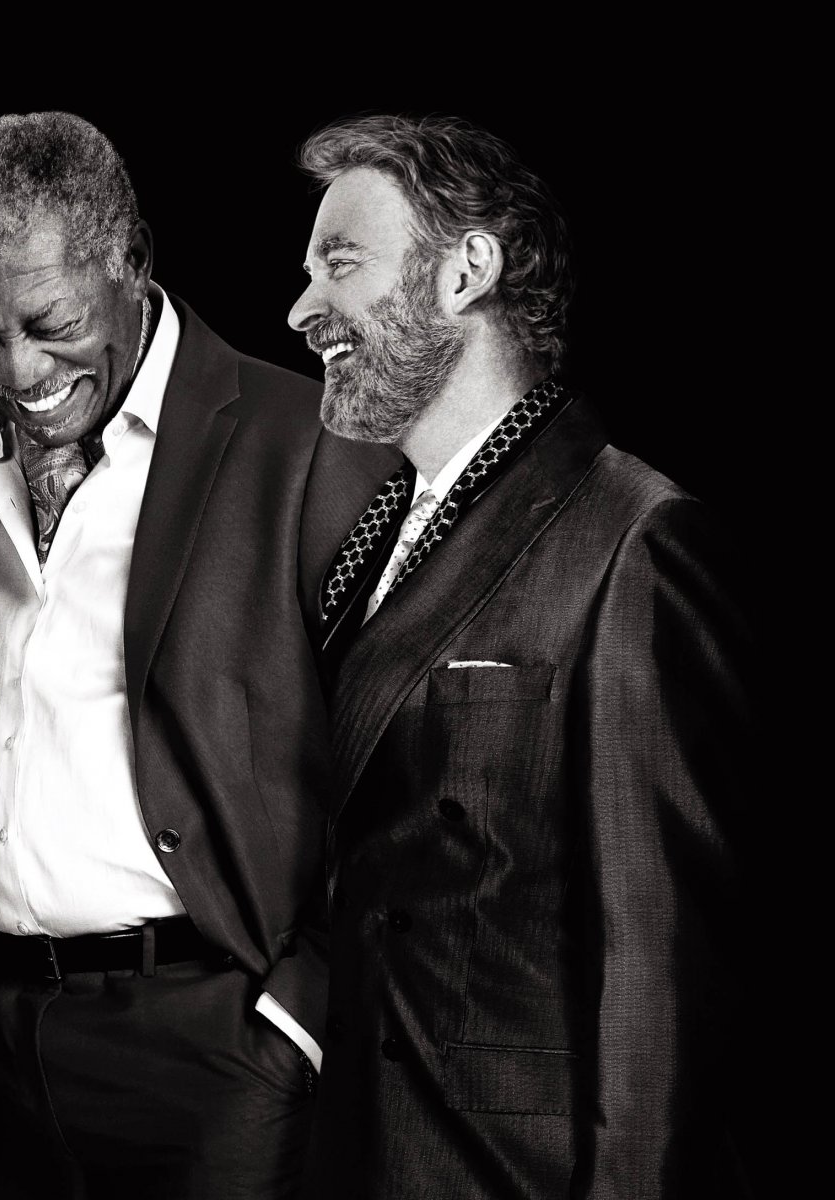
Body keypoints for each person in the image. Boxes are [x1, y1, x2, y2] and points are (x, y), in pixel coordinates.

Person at [0, 112, 395, 1197]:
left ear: (133, 261)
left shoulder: (312, 442)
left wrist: (301, 1013)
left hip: (218, 1047)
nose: (19, 368)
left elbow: (398, 771)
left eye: (51, 321)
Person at [287, 114, 749, 1198]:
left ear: (467, 271)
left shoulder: (635, 539)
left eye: (339, 264)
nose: (301, 311)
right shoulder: (365, 541)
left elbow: (661, 975)